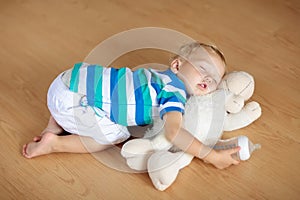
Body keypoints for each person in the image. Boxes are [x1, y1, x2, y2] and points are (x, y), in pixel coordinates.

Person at [22, 42, 240, 169]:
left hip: (68, 79)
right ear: (176, 65)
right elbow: (174, 132)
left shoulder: (156, 76)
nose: (209, 79)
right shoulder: (174, 93)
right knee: (115, 135)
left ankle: (55, 123)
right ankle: (54, 143)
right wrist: (212, 157)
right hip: (72, 100)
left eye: (215, 79)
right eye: (204, 69)